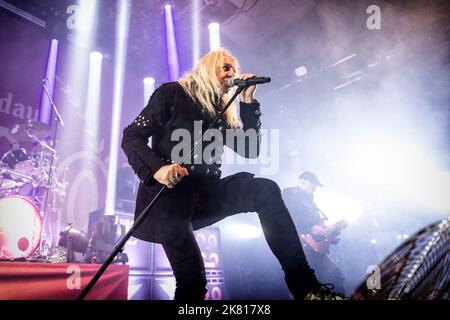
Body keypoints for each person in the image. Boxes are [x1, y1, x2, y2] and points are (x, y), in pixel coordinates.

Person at [121, 49, 341, 301]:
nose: (231, 74)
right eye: (225, 67)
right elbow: (131, 136)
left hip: (206, 194)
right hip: (169, 200)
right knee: (192, 284)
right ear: (207, 68)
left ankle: (307, 289)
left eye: (234, 70)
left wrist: (247, 103)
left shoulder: (221, 110)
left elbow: (250, 149)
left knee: (265, 189)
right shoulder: (171, 93)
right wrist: (159, 169)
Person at [283, 171, 347, 294]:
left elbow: (318, 230)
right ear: (302, 182)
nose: (315, 189)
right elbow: (287, 221)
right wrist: (309, 231)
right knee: (322, 280)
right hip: (300, 249)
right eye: (313, 185)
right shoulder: (290, 196)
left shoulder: (311, 204)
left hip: (311, 251)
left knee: (334, 278)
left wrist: (331, 234)